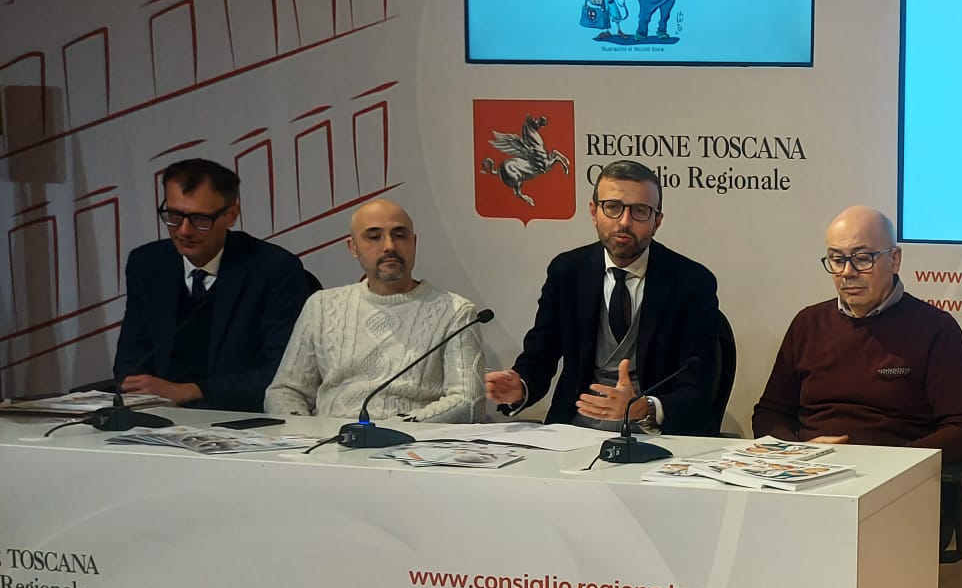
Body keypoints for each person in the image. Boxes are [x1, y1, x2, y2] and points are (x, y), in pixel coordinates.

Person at [484, 160, 721, 433]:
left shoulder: (692, 282)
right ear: (594, 212)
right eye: (613, 207)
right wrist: (520, 387)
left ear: (657, 221)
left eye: (640, 211)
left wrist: (643, 408)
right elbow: (540, 356)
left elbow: (697, 384)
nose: (624, 222)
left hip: (657, 437)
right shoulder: (567, 272)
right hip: (575, 431)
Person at [752, 206, 962, 463]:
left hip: (895, 475)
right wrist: (798, 452)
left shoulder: (935, 328)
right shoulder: (807, 324)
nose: (847, 272)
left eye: (862, 258)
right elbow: (769, 415)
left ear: (894, 260)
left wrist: (891, 462)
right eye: (837, 259)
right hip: (810, 471)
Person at [112, 158, 320, 412]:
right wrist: (139, 391)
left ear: (231, 214)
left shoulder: (273, 269)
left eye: (200, 219)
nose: (184, 230)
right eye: (174, 216)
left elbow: (284, 372)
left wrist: (190, 391)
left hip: (239, 416)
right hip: (159, 413)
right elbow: (131, 355)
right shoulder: (147, 263)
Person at [265, 199, 484, 421]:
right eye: (374, 237)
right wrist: (303, 431)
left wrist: (399, 429)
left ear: (414, 243)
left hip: (412, 438)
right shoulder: (321, 306)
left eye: (400, 235)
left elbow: (467, 402)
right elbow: (285, 391)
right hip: (327, 438)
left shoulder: (454, 310)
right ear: (353, 247)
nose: (389, 246)